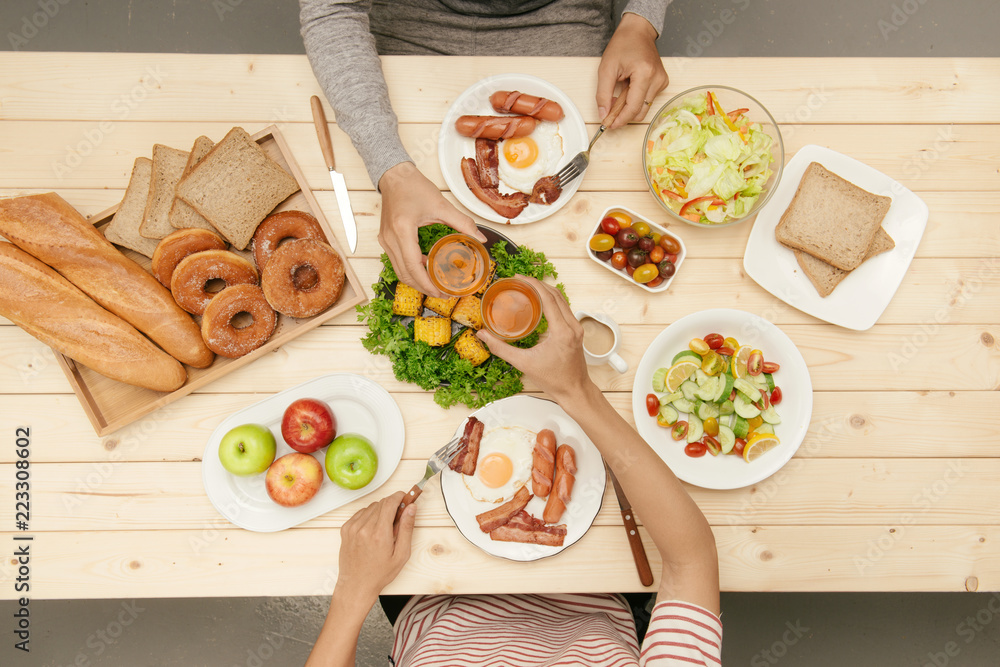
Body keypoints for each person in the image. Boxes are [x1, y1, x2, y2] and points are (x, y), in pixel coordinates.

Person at [305, 276, 722, 666]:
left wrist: (351, 592)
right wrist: (576, 391)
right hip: (599, 598)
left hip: (428, 605)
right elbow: (692, 560)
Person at [299, 0, 672, 296]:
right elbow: (332, 7)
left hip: (562, 17)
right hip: (414, 21)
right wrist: (390, 168)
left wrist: (641, 21)